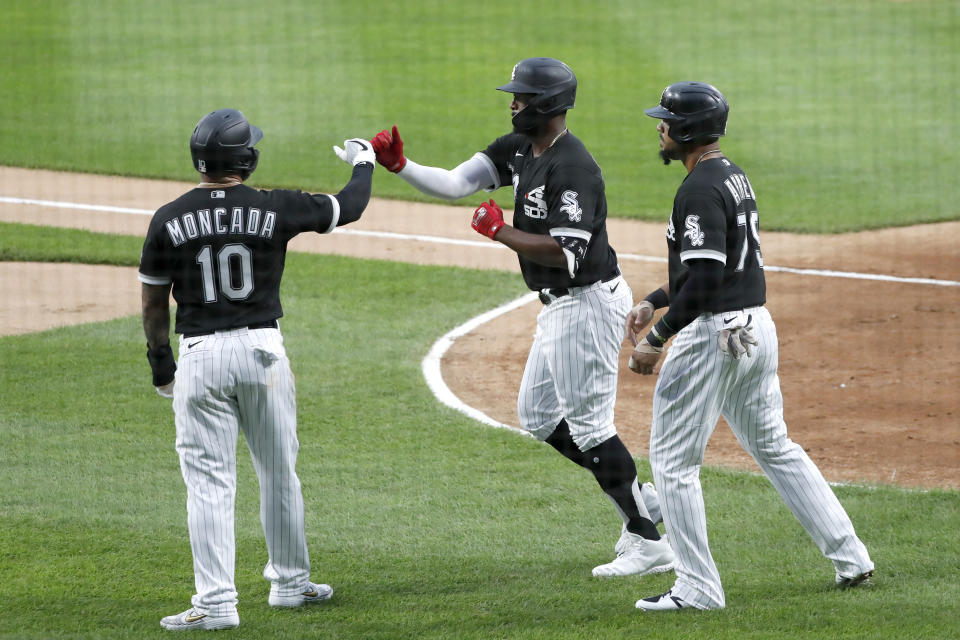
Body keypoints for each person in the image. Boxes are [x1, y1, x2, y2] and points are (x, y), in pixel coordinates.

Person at [370, 58, 672, 578]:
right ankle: (640, 498)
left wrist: (500, 232)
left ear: (550, 105)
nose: (512, 103)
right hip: (558, 308)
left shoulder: (573, 167)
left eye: (523, 97)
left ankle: (647, 542)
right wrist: (402, 166)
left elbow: (567, 250)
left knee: (592, 426)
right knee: (536, 414)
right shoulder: (519, 149)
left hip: (586, 304)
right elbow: (456, 183)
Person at [625, 82, 875, 611]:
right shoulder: (731, 175)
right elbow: (713, 267)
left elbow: (709, 279)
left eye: (666, 120)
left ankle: (697, 588)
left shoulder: (696, 189)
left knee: (672, 462)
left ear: (686, 130)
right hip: (755, 328)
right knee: (776, 447)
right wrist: (655, 298)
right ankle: (852, 558)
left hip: (712, 337)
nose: (659, 127)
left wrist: (657, 337)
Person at [140, 108, 376, 630]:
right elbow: (350, 207)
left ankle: (218, 605)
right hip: (263, 354)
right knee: (278, 471)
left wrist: (162, 368)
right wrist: (364, 161)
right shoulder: (276, 206)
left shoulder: (168, 218)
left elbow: (155, 304)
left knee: (208, 484)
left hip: (200, 358)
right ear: (246, 158)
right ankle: (291, 584)